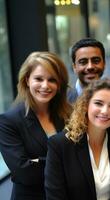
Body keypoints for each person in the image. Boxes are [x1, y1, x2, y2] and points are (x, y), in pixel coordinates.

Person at [45, 79, 110, 200]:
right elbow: (55, 197)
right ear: (86, 105)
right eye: (98, 103)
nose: (105, 111)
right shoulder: (60, 145)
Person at [0, 52, 71, 200]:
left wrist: (38, 161)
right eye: (38, 79)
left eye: (52, 80)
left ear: (59, 84)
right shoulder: (8, 121)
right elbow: (24, 173)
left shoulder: (69, 113)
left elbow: (82, 156)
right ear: (27, 80)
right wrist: (65, 161)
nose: (45, 85)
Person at [68, 38, 106, 103]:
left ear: (104, 64)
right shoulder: (63, 100)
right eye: (83, 62)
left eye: (96, 61)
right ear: (74, 67)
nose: (90, 67)